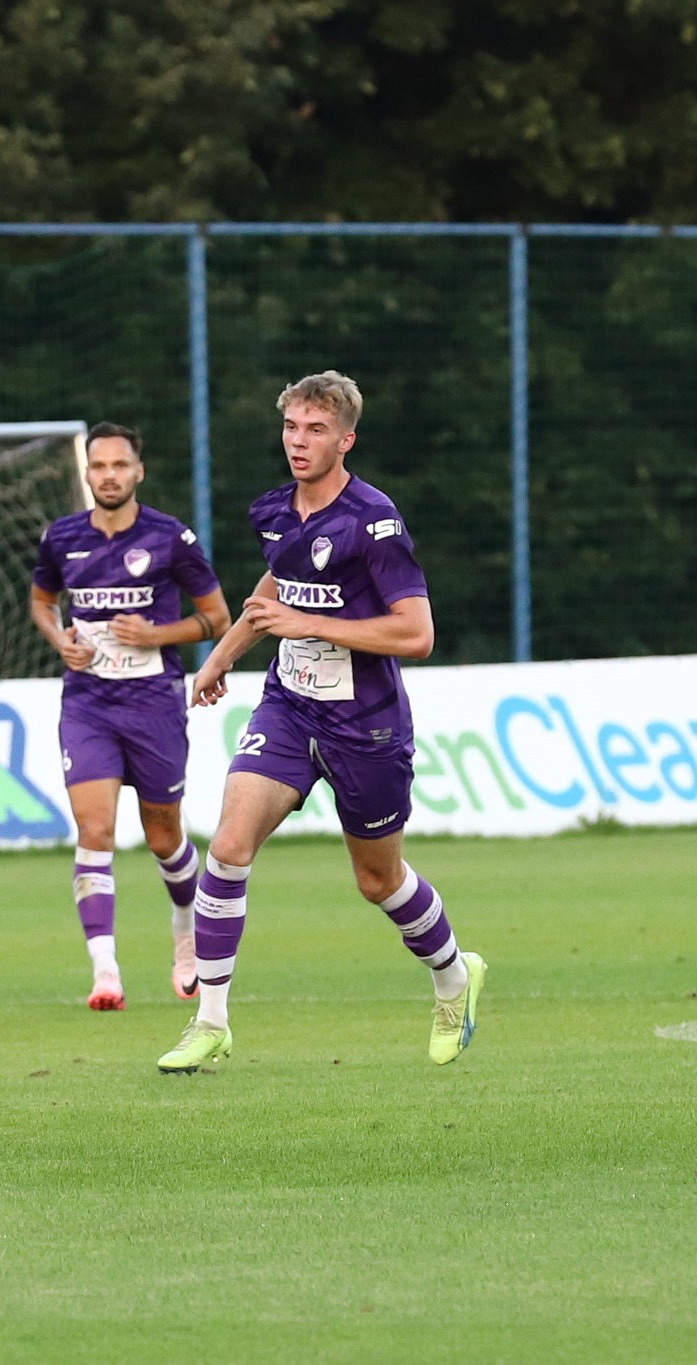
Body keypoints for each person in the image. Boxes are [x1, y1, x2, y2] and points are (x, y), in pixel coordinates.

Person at [158, 371, 485, 1075]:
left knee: (377, 880)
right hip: (288, 706)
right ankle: (211, 1020)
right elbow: (273, 589)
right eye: (290, 428)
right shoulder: (273, 510)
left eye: (314, 430)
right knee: (229, 843)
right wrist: (220, 657)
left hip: (366, 725)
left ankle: (455, 977)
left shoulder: (376, 522)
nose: (299, 442)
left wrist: (304, 622)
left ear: (346, 439)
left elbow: (417, 633)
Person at [32, 423, 230, 1010]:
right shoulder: (61, 538)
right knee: (94, 830)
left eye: (120, 465)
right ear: (87, 474)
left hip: (153, 701)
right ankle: (105, 972)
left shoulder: (171, 538)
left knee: (164, 834)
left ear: (138, 471)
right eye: (99, 467)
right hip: (88, 703)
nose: (109, 475)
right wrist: (58, 639)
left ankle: (186, 933)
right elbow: (43, 602)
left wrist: (157, 633)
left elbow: (217, 618)